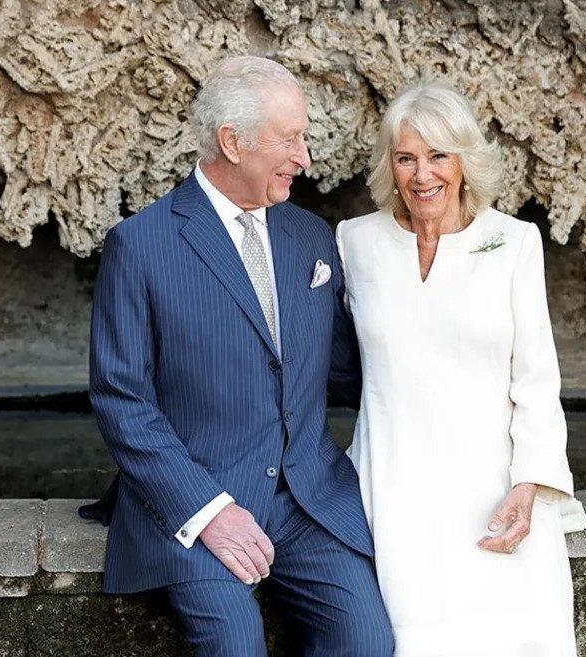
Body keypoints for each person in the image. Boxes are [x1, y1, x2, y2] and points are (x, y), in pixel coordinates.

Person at [80, 56, 393, 657]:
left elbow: (351, 373)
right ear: (232, 141)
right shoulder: (139, 245)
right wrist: (209, 511)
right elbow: (121, 400)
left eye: (304, 137)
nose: (305, 157)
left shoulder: (311, 236)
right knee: (234, 642)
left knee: (366, 640)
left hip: (308, 499)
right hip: (197, 500)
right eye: (289, 139)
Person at [335, 81, 584, 657]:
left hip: (492, 490)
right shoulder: (355, 242)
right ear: (390, 165)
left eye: (438, 155)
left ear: (465, 161)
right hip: (392, 489)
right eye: (406, 158)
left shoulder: (515, 242)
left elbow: (537, 381)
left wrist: (528, 485)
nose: (422, 174)